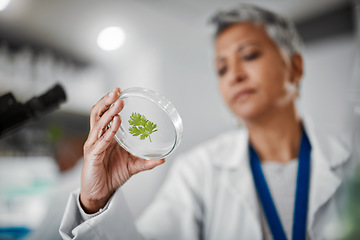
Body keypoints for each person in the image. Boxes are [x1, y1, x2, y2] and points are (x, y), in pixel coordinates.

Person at [59, 4, 352, 240]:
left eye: (249, 55)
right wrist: (95, 203)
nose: (234, 75)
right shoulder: (197, 171)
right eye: (221, 68)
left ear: (295, 67)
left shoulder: (352, 161)